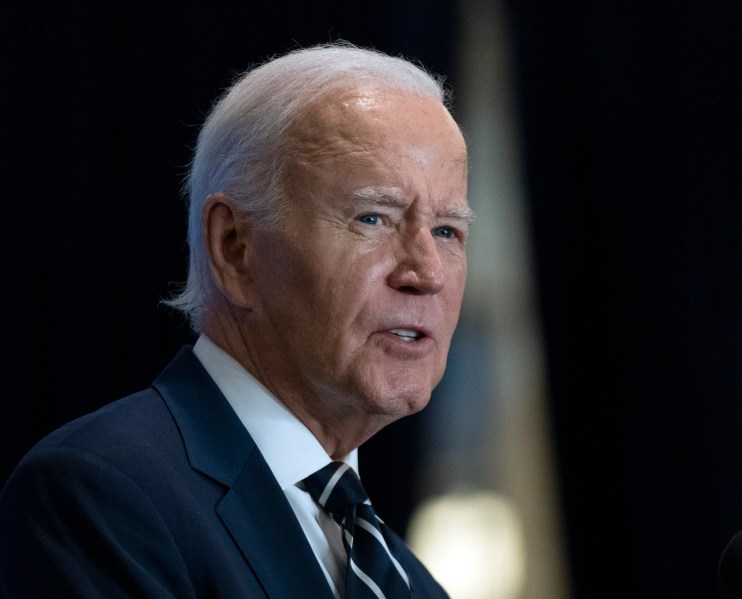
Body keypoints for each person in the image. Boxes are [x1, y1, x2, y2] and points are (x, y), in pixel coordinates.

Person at [0, 40, 473, 598]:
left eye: (447, 231)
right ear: (235, 248)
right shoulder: (102, 494)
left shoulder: (408, 581)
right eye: (373, 217)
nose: (427, 273)